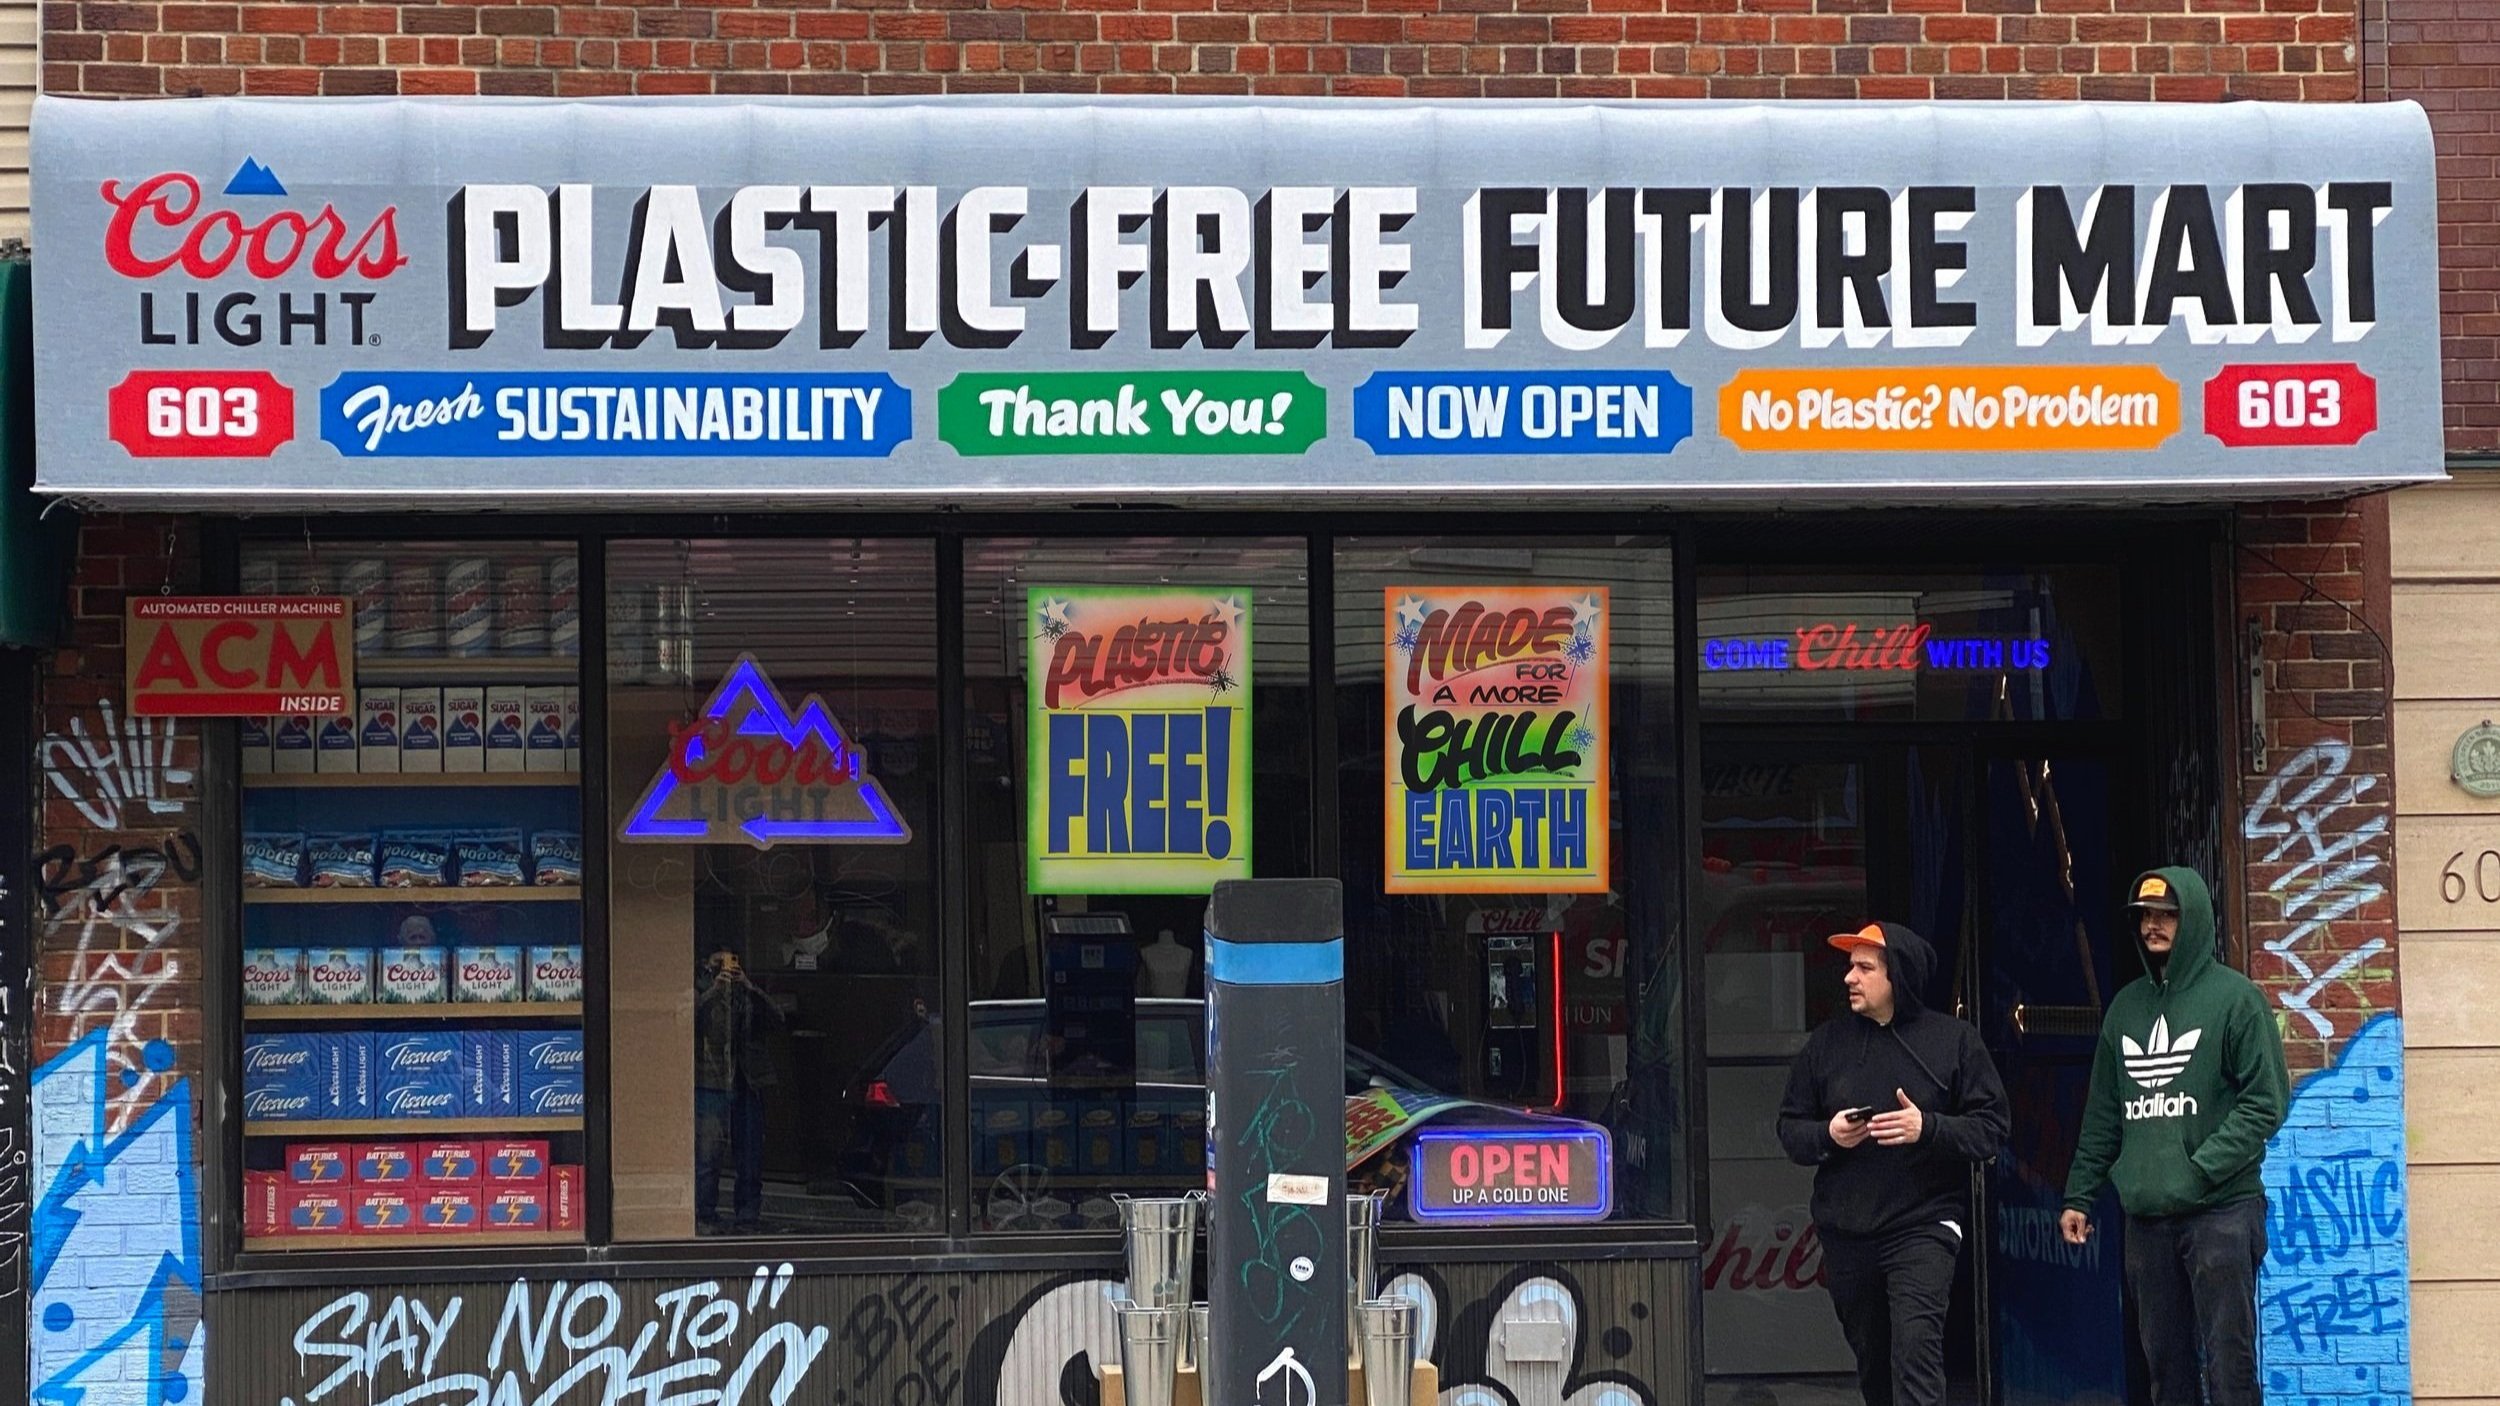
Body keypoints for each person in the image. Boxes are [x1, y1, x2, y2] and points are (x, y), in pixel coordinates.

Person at [2061, 868, 2288, 1406]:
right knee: (2165, 1369)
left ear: (2194, 920)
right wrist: (2079, 1194)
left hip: (2222, 1212)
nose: (2153, 926)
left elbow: (2266, 1102)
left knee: (2228, 1365)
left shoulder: (2236, 1000)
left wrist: (2202, 1165)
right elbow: (2104, 1115)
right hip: (2148, 1219)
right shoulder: (2125, 1007)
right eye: (2145, 916)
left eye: (2166, 915)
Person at [1777, 922, 2009, 1406]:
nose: (1849, 978)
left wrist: (1928, 1127)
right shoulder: (1827, 1044)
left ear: (1897, 977)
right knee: (1874, 1359)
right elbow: (1790, 1129)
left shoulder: (1954, 1041)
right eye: (1849, 966)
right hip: (1848, 1229)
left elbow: (1993, 1128)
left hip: (1923, 1225)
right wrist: (1830, 1134)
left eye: (1864, 968)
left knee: (1916, 1350)